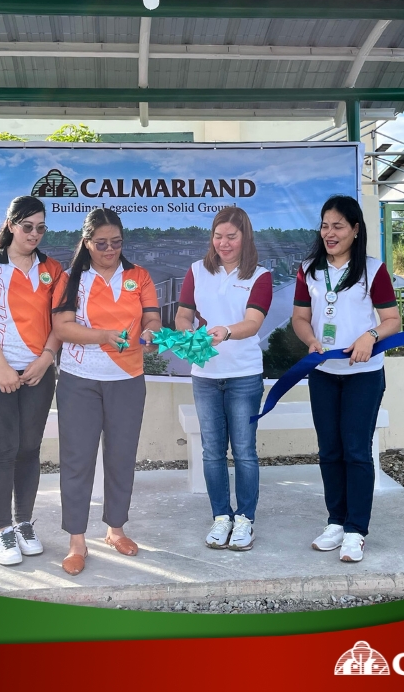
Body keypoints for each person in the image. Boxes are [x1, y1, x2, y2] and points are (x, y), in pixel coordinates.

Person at [51, 208, 162, 575]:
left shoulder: (139, 276)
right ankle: (77, 540)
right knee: (77, 461)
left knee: (121, 457)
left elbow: (151, 317)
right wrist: (102, 337)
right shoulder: (71, 279)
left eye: (116, 243)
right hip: (78, 379)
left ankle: (116, 529)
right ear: (87, 243)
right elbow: (63, 328)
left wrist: (150, 334)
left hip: (128, 378)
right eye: (101, 244)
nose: (110, 250)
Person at [291, 195, 401, 563]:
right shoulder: (308, 269)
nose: (330, 233)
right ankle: (335, 522)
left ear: (355, 230)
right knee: (329, 451)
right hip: (324, 374)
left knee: (356, 452)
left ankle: (356, 530)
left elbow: (392, 321)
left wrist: (370, 336)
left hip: (363, 376)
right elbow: (301, 318)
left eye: (338, 226)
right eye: (325, 225)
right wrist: (310, 341)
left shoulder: (373, 269)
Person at [0, 196, 66, 566]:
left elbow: (60, 321)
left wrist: (45, 359)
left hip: (39, 371)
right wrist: (2, 366)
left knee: (29, 449)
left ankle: (24, 523)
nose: (35, 234)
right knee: (2, 449)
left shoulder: (53, 269)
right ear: (11, 225)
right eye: (28, 227)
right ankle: (3, 530)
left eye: (41, 228)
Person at [175, 207, 273, 551]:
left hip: (244, 375)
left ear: (245, 236)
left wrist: (226, 332)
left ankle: (245, 519)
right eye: (218, 236)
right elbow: (184, 314)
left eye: (231, 236)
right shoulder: (196, 271)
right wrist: (188, 333)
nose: (224, 243)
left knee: (244, 451)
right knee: (212, 451)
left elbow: (253, 322)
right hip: (205, 375)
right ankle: (221, 516)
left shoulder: (261, 276)